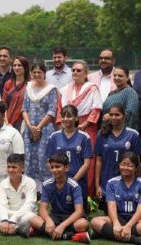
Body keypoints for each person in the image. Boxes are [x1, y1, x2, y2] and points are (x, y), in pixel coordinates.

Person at [90, 152, 141, 245]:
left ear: (136, 168)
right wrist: (116, 223)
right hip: (118, 218)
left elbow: (140, 211)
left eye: (130, 165)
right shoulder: (111, 183)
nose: (125, 168)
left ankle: (105, 233)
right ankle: (136, 240)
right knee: (95, 222)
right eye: (122, 164)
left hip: (138, 220)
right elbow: (111, 207)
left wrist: (128, 226)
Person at [58, 61, 102, 197]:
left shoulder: (92, 88)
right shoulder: (65, 89)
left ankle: (86, 193)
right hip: (67, 126)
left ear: (86, 73)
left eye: (79, 70)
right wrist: (63, 123)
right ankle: (64, 187)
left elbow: (96, 108)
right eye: (73, 70)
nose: (75, 73)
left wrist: (84, 125)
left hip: (86, 126)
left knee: (86, 159)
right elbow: (60, 108)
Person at [28, 153, 90, 243]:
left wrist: (62, 226)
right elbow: (42, 209)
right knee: (33, 219)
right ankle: (70, 236)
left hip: (70, 218)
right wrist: (49, 221)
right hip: (55, 217)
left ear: (66, 168)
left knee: (83, 224)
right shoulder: (46, 185)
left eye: (58, 167)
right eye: (52, 167)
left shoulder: (75, 186)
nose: (54, 170)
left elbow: (79, 212)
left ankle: (47, 232)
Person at [94, 103, 141, 213]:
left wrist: (138, 184)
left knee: (127, 213)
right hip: (107, 182)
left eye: (117, 115)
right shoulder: (102, 134)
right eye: (111, 115)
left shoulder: (133, 135)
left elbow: (138, 163)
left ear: (124, 115)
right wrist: (97, 185)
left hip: (128, 182)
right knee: (109, 215)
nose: (113, 117)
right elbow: (99, 160)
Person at [47, 105, 92, 208]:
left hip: (78, 182)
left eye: (69, 116)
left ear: (76, 118)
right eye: (63, 116)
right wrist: (58, 178)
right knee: (58, 212)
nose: (66, 119)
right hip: (59, 182)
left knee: (79, 218)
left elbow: (87, 164)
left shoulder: (84, 137)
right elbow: (49, 160)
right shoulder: (54, 137)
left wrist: (73, 181)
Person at [22, 63, 58, 190]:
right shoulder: (28, 88)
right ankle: (31, 190)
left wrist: (39, 127)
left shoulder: (51, 89)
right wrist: (30, 126)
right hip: (29, 130)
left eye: (39, 72)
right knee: (29, 157)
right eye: (34, 72)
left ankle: (45, 191)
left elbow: (52, 111)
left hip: (45, 129)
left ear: (44, 74)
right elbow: (24, 109)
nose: (36, 75)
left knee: (43, 158)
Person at [0, 154, 37, 236]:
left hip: (23, 215)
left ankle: (1, 226)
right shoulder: (3, 184)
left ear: (22, 168)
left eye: (14, 167)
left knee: (31, 216)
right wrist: (4, 219)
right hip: (8, 214)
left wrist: (13, 220)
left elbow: (29, 205)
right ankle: (18, 229)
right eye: (9, 167)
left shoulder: (30, 182)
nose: (10, 170)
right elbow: (2, 205)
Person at [2, 56, 30, 131]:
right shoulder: (8, 83)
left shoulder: (31, 84)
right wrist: (7, 123)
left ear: (25, 67)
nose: (16, 68)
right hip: (8, 122)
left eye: (19, 65)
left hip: (26, 123)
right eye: (14, 65)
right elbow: (3, 105)